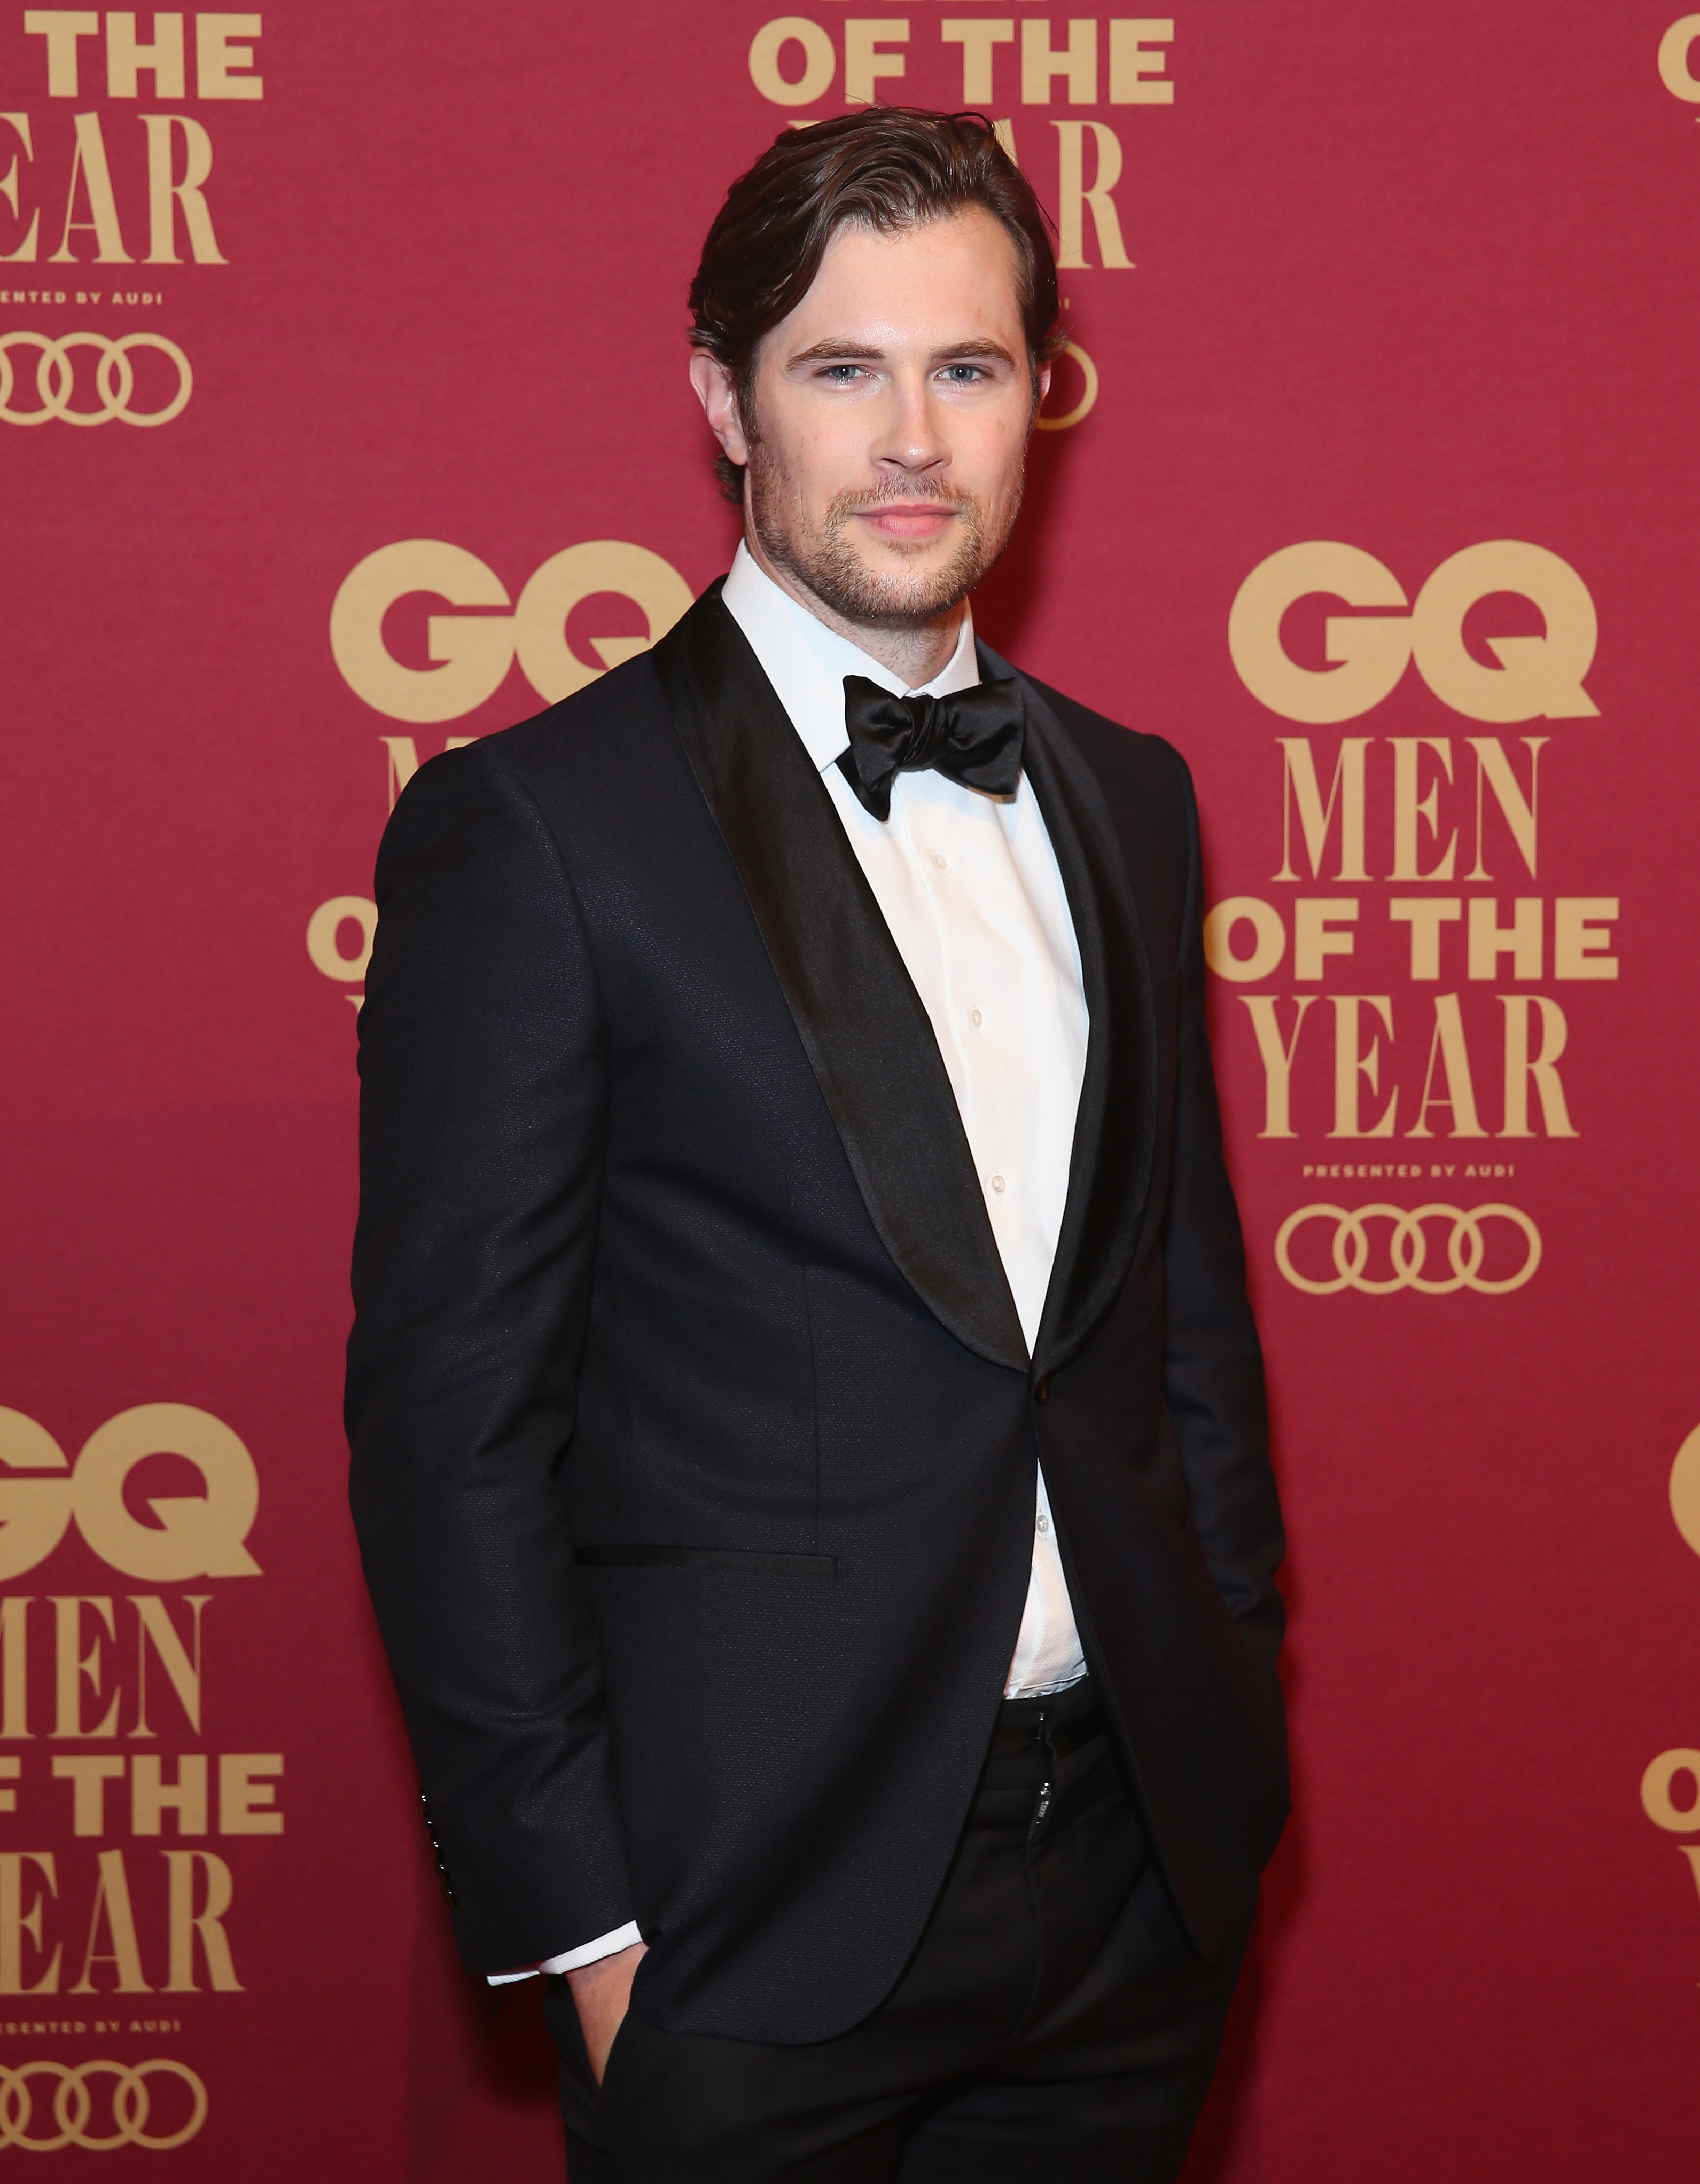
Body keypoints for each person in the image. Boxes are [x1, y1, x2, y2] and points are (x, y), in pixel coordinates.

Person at [346, 107, 1289, 2184]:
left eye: (964, 368)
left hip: (1132, 1883)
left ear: (1037, 394)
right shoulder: (534, 834)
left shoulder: (1132, 796)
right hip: (744, 1914)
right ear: (722, 399)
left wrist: (1229, 1692)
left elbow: (1175, 1309)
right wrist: (590, 1930)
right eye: (837, 370)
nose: (911, 442)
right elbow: (451, 1420)